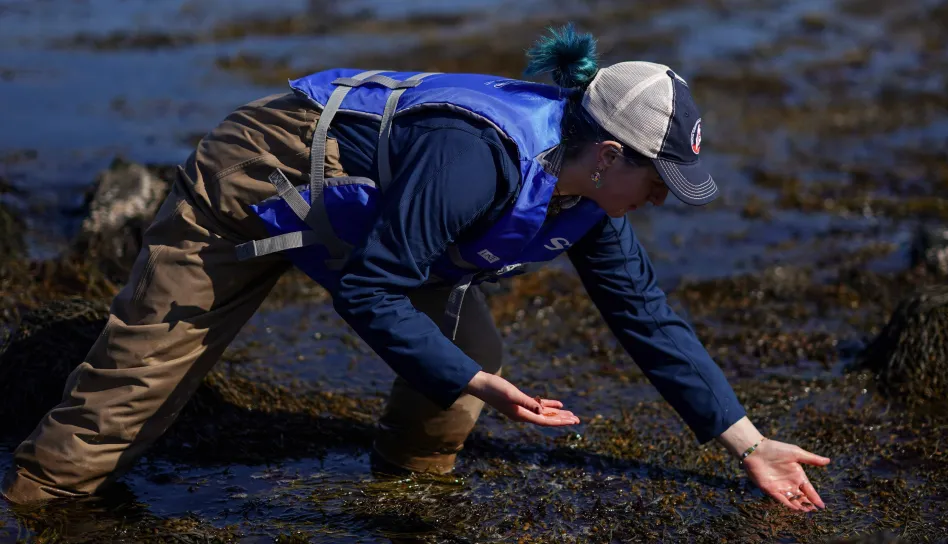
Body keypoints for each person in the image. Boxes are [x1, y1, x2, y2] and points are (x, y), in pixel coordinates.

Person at [2, 24, 830, 511]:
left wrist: (749, 443)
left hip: (378, 214)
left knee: (473, 359)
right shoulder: (475, 160)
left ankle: (407, 492)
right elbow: (371, 290)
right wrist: (470, 381)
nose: (660, 199)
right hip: (263, 176)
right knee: (143, 373)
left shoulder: (589, 203)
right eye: (658, 181)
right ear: (609, 154)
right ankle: (40, 502)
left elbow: (649, 320)